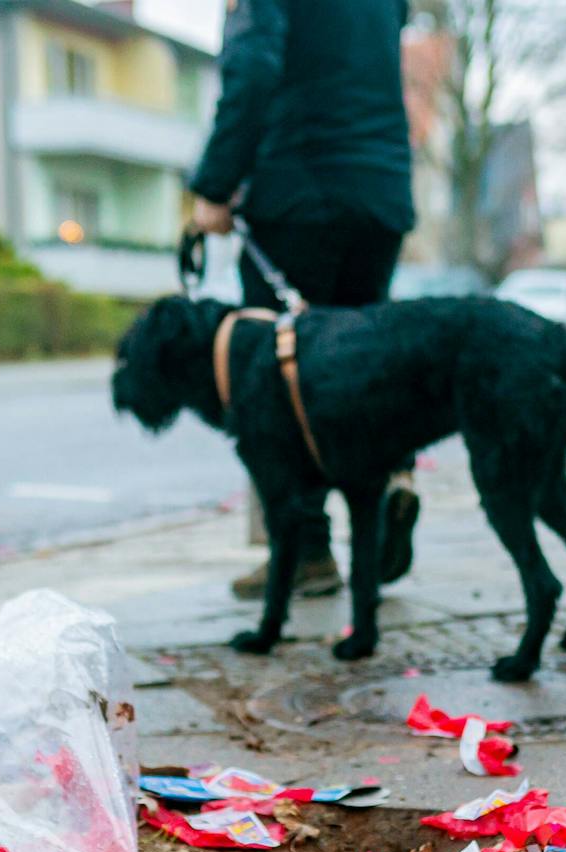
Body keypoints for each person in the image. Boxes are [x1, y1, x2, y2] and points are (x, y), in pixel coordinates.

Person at [189, 0, 421, 601]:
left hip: (299, 191)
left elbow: (253, 67)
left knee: (281, 381)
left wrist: (214, 186)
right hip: (381, 193)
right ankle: (393, 474)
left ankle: (306, 549)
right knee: (362, 364)